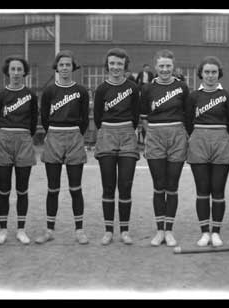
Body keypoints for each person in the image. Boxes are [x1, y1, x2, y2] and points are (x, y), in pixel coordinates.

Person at [35, 50, 91, 245]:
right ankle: (49, 230)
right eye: (61, 65)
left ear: (73, 67)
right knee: (53, 188)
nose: (65, 68)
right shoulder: (50, 91)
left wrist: (75, 133)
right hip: (54, 137)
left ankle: (79, 230)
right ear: (56, 68)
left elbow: (85, 119)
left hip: (74, 136)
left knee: (75, 188)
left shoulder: (81, 91)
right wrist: (55, 132)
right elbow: (44, 117)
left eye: (68, 64)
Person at [139, 49, 192, 247]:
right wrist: (151, 135)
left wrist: (183, 136)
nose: (164, 69)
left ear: (173, 66)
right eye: (161, 66)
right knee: (158, 185)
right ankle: (159, 230)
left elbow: (188, 115)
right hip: (155, 135)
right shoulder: (147, 89)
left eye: (168, 66)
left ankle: (169, 230)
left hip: (177, 135)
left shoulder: (182, 87)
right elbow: (143, 117)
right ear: (155, 67)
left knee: (172, 185)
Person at [93, 48, 142, 245]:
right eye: (112, 63)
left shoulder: (133, 88)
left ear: (125, 67)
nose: (115, 67)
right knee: (108, 186)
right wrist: (108, 130)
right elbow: (97, 117)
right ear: (107, 65)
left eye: (119, 64)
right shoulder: (102, 89)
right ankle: (108, 231)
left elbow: (136, 114)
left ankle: (124, 230)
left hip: (127, 135)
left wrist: (126, 128)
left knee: (125, 186)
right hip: (107, 134)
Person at [0, 55, 39, 245]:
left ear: (24, 72)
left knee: (22, 189)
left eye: (19, 69)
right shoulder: (1, 95)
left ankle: (21, 229)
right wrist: (2, 135)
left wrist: (25, 135)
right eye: (13, 69)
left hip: (24, 140)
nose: (16, 73)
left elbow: (34, 120)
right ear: (7, 72)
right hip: (3, 140)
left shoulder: (31, 95)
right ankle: (2, 230)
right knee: (3, 189)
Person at [187, 56, 229, 247]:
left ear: (219, 74)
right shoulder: (193, 96)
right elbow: (188, 121)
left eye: (213, 72)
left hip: (220, 142)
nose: (210, 76)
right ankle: (204, 232)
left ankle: (215, 232)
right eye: (206, 72)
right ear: (201, 73)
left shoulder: (226, 96)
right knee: (202, 191)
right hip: (199, 141)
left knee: (218, 190)